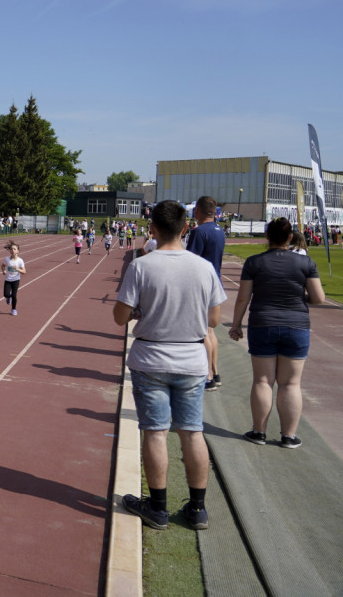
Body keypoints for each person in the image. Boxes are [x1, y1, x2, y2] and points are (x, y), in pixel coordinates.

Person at [114, 200, 226, 531]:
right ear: (186, 227)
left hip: (151, 358)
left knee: (155, 431)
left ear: (152, 229)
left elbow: (120, 316)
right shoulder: (203, 267)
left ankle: (158, 507)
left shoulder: (142, 266)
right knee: (192, 432)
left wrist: (139, 312)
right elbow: (215, 320)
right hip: (191, 359)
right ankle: (197, 508)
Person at [228, 217, 324, 449]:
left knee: (262, 380)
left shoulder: (253, 263)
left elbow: (243, 297)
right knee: (291, 384)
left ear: (267, 237)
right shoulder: (306, 263)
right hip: (297, 326)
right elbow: (319, 298)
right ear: (290, 237)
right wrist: (297, 297)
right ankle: (288, 436)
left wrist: (236, 324)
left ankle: (259, 432)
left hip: (263, 324)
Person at [186, 196, 226, 391]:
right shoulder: (220, 231)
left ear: (198, 211)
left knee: (203, 333)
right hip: (216, 282)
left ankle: (208, 375)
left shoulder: (199, 232)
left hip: (202, 285)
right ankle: (215, 372)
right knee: (210, 331)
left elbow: (191, 261)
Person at [1, 241, 26, 316]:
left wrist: (17, 269)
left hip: (16, 280)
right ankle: (8, 297)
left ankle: (13, 309)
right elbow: (2, 266)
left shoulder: (20, 261)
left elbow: (24, 271)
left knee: (14, 295)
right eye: (11, 249)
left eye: (14, 249)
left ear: (18, 251)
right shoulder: (6, 259)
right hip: (8, 280)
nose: (12, 250)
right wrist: (3, 270)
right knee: (6, 294)